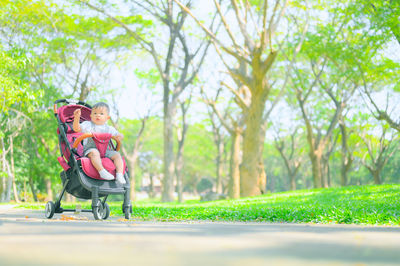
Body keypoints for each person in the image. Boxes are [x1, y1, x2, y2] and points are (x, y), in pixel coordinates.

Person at [73, 102, 126, 184]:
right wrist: (77, 118)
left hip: (105, 151)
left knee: (117, 155)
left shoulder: (109, 128)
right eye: (95, 113)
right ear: (90, 116)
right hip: (91, 149)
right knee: (95, 153)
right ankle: (102, 171)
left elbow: (117, 135)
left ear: (107, 118)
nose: (97, 115)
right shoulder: (87, 124)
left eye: (101, 114)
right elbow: (77, 129)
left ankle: (119, 174)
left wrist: (120, 136)